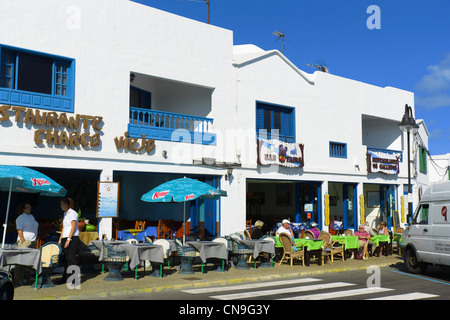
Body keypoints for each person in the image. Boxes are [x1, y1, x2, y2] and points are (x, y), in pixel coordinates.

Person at [14, 201, 39, 285]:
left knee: (29, 261)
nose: (29, 208)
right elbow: (19, 229)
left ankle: (27, 278)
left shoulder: (31, 216)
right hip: (25, 241)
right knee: (20, 260)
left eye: (30, 207)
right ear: (23, 209)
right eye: (27, 207)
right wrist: (23, 240)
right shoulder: (20, 218)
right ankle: (17, 279)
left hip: (32, 241)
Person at [58, 198, 80, 284]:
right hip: (65, 237)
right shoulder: (65, 214)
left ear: (66, 204)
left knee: (72, 258)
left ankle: (74, 279)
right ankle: (66, 277)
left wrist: (69, 239)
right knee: (66, 260)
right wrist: (60, 238)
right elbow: (64, 227)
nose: (60, 206)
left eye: (62, 204)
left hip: (72, 238)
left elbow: (73, 226)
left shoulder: (72, 213)